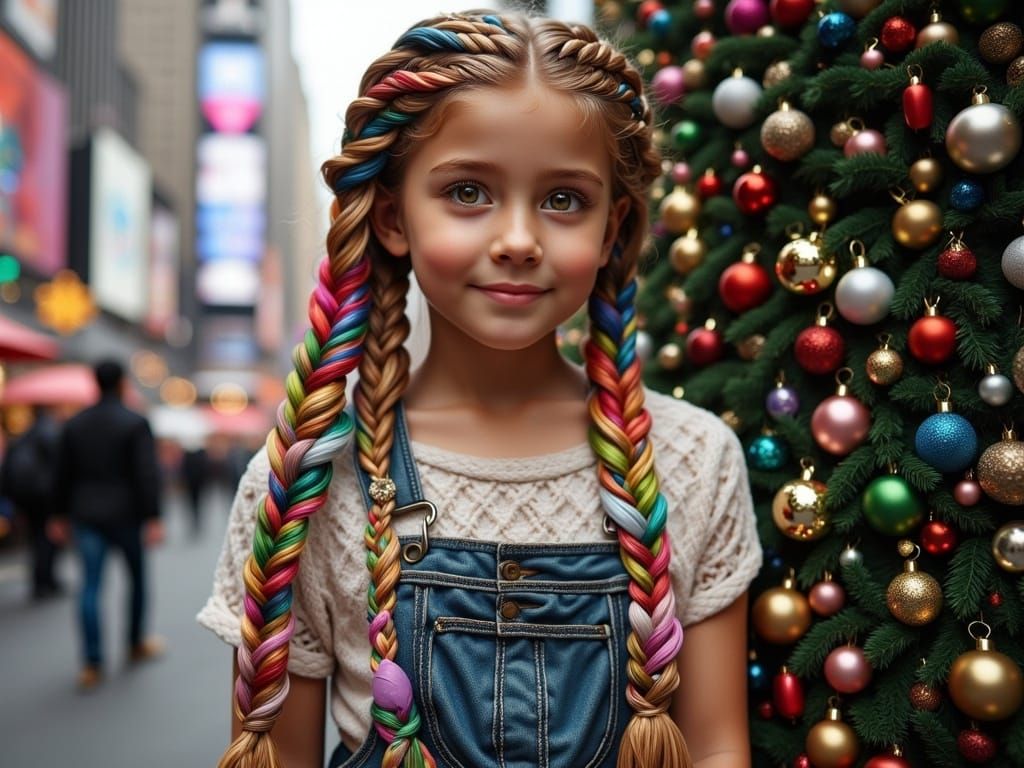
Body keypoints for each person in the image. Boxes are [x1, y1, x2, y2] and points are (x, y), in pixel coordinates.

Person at [199, 11, 762, 768]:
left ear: (611, 227)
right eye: (468, 191)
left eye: (565, 199)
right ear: (394, 218)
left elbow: (717, 749)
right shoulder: (304, 482)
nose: (520, 239)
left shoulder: (694, 459)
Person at [52, 358, 165, 689]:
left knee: (89, 586)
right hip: (127, 515)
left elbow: (62, 475)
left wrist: (57, 514)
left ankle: (92, 661)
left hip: (86, 515)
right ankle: (135, 643)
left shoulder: (74, 425)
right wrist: (154, 516)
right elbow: (147, 473)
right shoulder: (135, 422)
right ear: (122, 383)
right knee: (137, 580)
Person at [0, 406, 64, 599]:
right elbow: (58, 467)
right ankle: (47, 579)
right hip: (44, 495)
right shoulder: (50, 433)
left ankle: (39, 580)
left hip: (26, 496)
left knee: (36, 537)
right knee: (48, 537)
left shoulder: (24, 436)